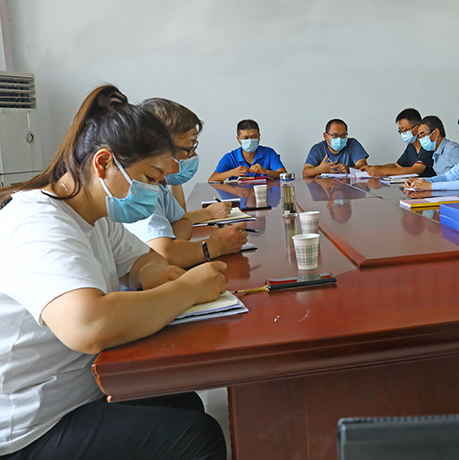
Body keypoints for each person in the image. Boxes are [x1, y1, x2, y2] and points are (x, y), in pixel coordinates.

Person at [0, 85, 227, 459]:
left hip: (83, 390)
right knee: (198, 437)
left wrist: (154, 274)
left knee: (183, 400)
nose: (154, 191)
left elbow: (143, 261)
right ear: (103, 163)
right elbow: (88, 325)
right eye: (150, 178)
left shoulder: (95, 216)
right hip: (31, 426)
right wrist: (186, 289)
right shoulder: (37, 223)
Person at [126, 98, 248, 268]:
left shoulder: (158, 187)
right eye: (190, 147)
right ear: (159, 147)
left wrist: (174, 240)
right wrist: (217, 245)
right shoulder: (138, 190)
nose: (193, 155)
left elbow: (182, 223)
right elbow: (166, 254)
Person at [362, 108, 435, 177]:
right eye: (401, 131)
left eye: (405, 130)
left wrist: (383, 171)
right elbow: (397, 166)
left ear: (417, 127)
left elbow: (416, 170)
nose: (403, 134)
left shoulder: (427, 145)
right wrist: (373, 168)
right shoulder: (411, 146)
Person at [209, 119, 287, 182]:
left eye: (254, 137)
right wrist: (232, 172)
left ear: (259, 137)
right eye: (245, 138)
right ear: (238, 139)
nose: (250, 141)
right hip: (239, 195)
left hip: (264, 194)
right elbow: (212, 179)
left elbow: (284, 174)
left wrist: (266, 171)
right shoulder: (230, 157)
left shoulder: (269, 153)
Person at [302, 119, 369, 178]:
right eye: (335, 135)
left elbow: (364, 167)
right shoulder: (318, 149)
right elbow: (305, 173)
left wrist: (349, 169)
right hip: (325, 186)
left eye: (343, 135)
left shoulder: (353, 144)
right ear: (325, 136)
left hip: (348, 185)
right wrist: (319, 169)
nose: (339, 139)